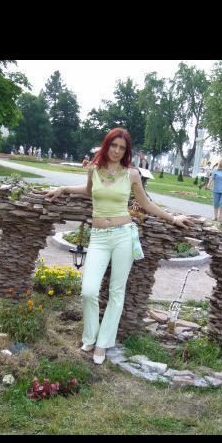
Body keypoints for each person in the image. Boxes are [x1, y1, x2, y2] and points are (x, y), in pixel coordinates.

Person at [45, 128, 193, 364]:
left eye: (122, 148)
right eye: (113, 145)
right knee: (88, 291)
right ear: (107, 145)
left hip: (123, 236)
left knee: (116, 292)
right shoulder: (94, 169)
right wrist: (63, 189)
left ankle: (102, 343)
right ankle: (89, 337)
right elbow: (89, 191)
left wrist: (173, 218)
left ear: (126, 151)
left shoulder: (131, 174)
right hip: (99, 237)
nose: (116, 151)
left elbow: (145, 203)